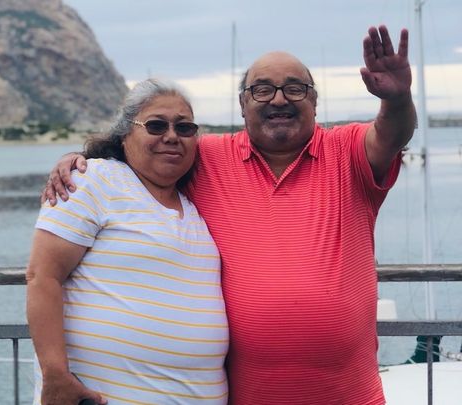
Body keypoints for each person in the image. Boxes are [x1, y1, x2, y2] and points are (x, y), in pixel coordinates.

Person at [41, 25, 415, 404]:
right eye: (262, 89)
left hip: (352, 396)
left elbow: (391, 134)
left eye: (295, 88)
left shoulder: (347, 151)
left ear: (314, 101)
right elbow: (151, 150)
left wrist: (397, 100)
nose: (279, 99)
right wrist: (81, 160)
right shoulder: (207, 156)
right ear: (242, 104)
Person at [26, 79, 230, 404]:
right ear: (124, 134)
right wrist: (55, 376)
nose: (172, 136)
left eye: (185, 127)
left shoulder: (192, 204)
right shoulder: (92, 180)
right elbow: (42, 276)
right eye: (156, 125)